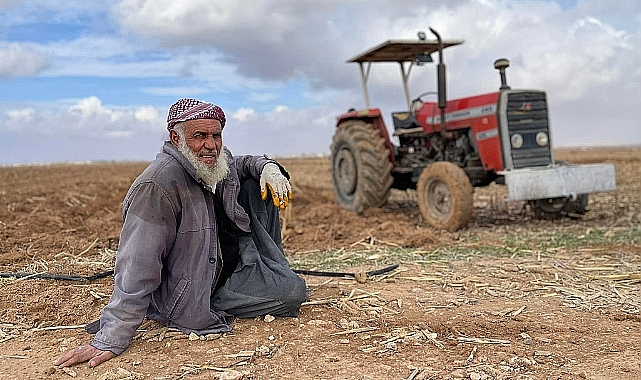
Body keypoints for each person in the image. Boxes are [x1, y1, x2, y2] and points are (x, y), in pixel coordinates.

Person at [55, 98, 307, 368]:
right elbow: (137, 265)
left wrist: (268, 167)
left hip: (222, 263)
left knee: (257, 185)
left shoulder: (209, 162)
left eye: (216, 135)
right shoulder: (157, 186)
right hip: (195, 289)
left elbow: (242, 163)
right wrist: (111, 336)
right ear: (176, 138)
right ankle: (212, 304)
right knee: (292, 292)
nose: (210, 145)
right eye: (199, 136)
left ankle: (266, 270)